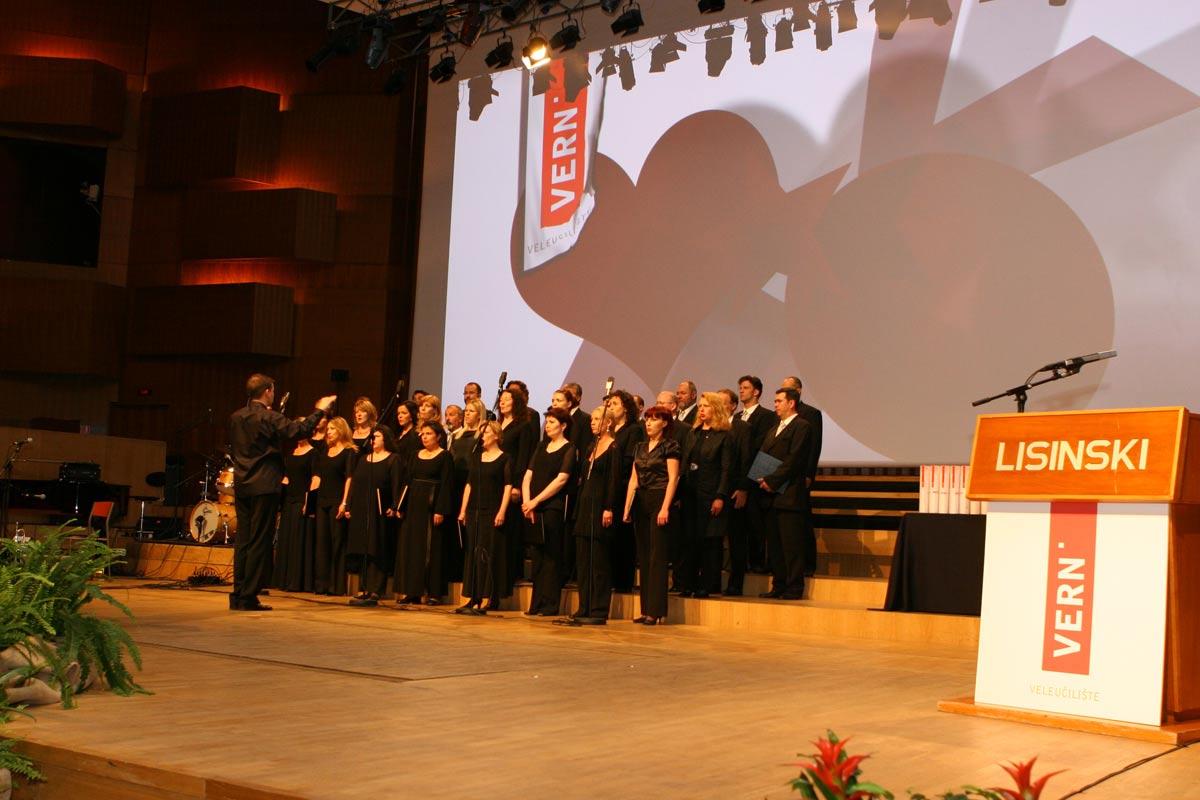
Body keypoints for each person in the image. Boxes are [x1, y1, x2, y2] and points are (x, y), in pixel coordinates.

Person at [228, 375, 334, 611]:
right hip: (264, 483)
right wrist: (320, 410)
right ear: (267, 391)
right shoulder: (269, 417)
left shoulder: (237, 416)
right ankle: (248, 596)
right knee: (259, 541)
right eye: (273, 390)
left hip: (243, 483)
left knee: (243, 540)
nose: (274, 395)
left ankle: (238, 593)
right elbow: (300, 430)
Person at [622, 405, 681, 625]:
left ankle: (656, 611)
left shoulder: (670, 446)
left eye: (654, 419)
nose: (648, 423)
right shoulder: (640, 447)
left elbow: (673, 478)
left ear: (664, 423)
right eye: (647, 419)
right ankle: (646, 608)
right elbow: (634, 479)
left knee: (657, 556)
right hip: (641, 500)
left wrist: (665, 507)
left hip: (659, 498)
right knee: (644, 556)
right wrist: (627, 507)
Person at [756, 387, 814, 600]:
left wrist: (772, 481)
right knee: (775, 546)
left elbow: (794, 459)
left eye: (779, 401)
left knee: (791, 545)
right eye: (775, 401)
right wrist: (760, 478)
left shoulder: (802, 426)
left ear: (791, 403)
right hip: (770, 496)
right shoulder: (774, 428)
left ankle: (794, 587)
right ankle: (778, 585)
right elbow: (763, 454)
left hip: (789, 495)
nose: (775, 405)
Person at [521, 407, 577, 617]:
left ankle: (550, 604)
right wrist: (527, 502)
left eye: (553, 422)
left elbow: (561, 479)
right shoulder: (541, 446)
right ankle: (536, 604)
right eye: (548, 422)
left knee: (551, 555)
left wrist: (536, 501)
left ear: (563, 426)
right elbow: (528, 475)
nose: (548, 426)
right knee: (537, 556)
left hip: (552, 506)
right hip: (533, 507)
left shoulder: (569, 448)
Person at [678, 393, 733, 598]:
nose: (701, 409)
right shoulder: (693, 433)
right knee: (689, 539)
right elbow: (685, 463)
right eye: (700, 406)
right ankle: (688, 584)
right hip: (690, 493)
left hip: (710, 494)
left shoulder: (723, 435)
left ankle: (707, 585)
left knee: (708, 541)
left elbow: (726, 469)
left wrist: (720, 496)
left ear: (716, 409)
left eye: (706, 406)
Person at [394, 421, 455, 605]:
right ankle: (412, 591)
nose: (425, 437)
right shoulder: (415, 455)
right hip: (413, 506)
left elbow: (447, 484)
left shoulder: (444, 456)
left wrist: (440, 510)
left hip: (432, 506)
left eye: (429, 433)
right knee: (412, 548)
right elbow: (407, 481)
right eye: (423, 434)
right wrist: (401, 506)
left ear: (438, 436)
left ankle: (433, 593)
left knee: (432, 548)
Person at [456, 420, 512, 615]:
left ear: (496, 435)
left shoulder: (505, 458)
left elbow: (507, 487)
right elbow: (469, 485)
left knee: (489, 553)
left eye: (486, 432)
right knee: (473, 552)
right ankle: (474, 597)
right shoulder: (476, 457)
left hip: (492, 509)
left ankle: (491, 597)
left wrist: (502, 511)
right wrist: (463, 510)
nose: (482, 436)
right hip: (474, 510)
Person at [344, 426, 402, 606]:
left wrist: (394, 506)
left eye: (377, 436)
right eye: (372, 437)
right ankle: (364, 588)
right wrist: (349, 505)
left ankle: (376, 589)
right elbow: (355, 484)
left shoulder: (393, 459)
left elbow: (397, 485)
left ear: (385, 439)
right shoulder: (363, 459)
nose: (373, 440)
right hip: (361, 509)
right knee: (364, 548)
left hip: (380, 510)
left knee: (377, 548)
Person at [571, 406, 619, 624]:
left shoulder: (613, 448)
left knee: (599, 561)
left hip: (601, 506)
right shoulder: (591, 445)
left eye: (597, 419)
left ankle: (598, 609)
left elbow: (613, 480)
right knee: (583, 560)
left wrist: (609, 507)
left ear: (608, 423)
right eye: (592, 419)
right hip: (585, 505)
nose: (592, 422)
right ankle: (584, 606)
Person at [781, 375, 824, 577]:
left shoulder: (811, 414)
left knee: (803, 520)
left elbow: (814, 446)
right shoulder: (780, 415)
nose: (784, 393)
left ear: (798, 391)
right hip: (782, 478)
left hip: (800, 475)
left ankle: (808, 564)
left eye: (788, 389)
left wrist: (809, 474)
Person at [271, 419, 317, 593]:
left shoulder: (313, 453)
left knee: (299, 541)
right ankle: (283, 579)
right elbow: (286, 477)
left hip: (302, 500)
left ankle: (296, 581)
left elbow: (315, 479)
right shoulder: (290, 453)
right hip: (289, 500)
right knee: (286, 540)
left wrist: (309, 503)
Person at [737, 375, 777, 574]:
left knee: (756, 524)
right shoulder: (737, 417)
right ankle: (740, 562)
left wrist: (748, 483)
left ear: (756, 391)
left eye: (745, 387)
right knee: (738, 526)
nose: (741, 391)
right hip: (737, 477)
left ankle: (757, 562)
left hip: (754, 480)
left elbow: (761, 449)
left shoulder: (766, 416)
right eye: (740, 387)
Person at [313, 416, 356, 596]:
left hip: (337, 501)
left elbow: (349, 478)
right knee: (322, 543)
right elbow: (318, 476)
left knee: (337, 543)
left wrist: (344, 503)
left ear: (341, 430)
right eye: (328, 429)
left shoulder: (349, 452)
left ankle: (336, 586)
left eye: (332, 429)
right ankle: (321, 584)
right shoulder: (325, 451)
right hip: (322, 500)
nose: (328, 432)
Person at [498, 388, 534, 592]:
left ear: (516, 403)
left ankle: (511, 572)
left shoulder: (523, 425)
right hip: (496, 479)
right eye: (501, 399)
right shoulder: (496, 425)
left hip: (512, 480)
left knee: (510, 528)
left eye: (507, 399)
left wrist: (517, 485)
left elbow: (523, 456)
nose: (502, 402)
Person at [606, 390, 643, 593]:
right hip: (607, 486)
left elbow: (630, 459)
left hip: (622, 486)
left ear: (626, 408)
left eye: (615, 403)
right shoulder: (609, 429)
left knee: (623, 535)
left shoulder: (633, 430)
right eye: (609, 404)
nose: (610, 407)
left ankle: (622, 581)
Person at [718, 387, 752, 596]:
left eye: (722, 403)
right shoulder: (712, 426)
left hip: (734, 490)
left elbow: (746, 459)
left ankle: (736, 583)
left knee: (736, 538)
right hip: (715, 492)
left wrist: (743, 488)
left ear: (733, 406)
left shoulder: (742, 427)